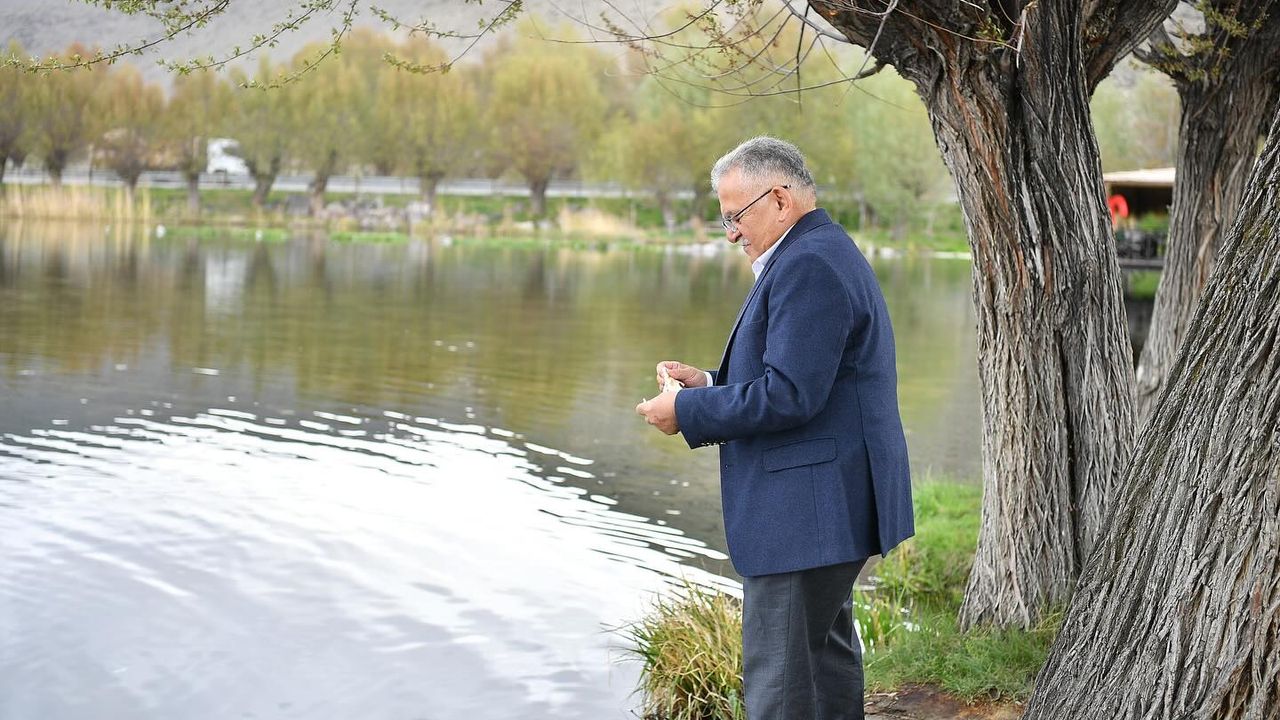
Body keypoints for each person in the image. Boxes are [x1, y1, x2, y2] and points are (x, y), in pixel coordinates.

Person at [635, 136, 913, 720]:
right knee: (825, 665)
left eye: (735, 216)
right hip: (825, 510)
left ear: (780, 200)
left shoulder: (808, 264)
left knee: (779, 689)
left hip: (806, 514)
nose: (731, 233)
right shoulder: (820, 251)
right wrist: (707, 383)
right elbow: (803, 380)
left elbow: (789, 396)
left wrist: (686, 412)